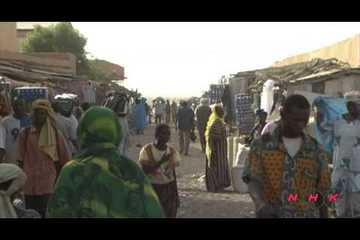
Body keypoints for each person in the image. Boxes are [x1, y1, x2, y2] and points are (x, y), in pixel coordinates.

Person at [47, 107, 164, 218]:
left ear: (82, 133)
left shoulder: (73, 170)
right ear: (116, 134)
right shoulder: (131, 169)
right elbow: (152, 210)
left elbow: (57, 211)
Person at [242, 94, 331, 218]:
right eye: (295, 120)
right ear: (283, 114)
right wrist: (260, 203)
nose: (300, 125)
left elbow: (323, 191)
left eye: (304, 121)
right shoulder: (261, 146)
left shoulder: (316, 151)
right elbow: (252, 178)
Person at [17, 99, 71, 218]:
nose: (39, 116)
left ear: (47, 115)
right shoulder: (25, 134)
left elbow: (65, 160)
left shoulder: (56, 135)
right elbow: (20, 160)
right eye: (37, 112)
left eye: (42, 113)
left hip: (48, 185)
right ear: (33, 114)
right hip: (29, 185)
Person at [139, 124, 181, 217]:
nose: (166, 136)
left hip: (168, 188)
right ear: (156, 135)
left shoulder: (172, 151)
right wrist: (162, 161)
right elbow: (145, 171)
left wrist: (176, 194)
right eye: (164, 133)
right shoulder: (147, 150)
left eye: (168, 134)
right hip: (152, 187)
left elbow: (173, 174)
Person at [331, 92, 360, 217]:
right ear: (349, 106)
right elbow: (322, 130)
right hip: (339, 169)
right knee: (338, 200)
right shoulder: (336, 122)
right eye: (357, 105)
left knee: (356, 204)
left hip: (357, 171)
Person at [204, 104, 231, 192]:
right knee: (216, 167)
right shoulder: (216, 123)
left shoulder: (218, 121)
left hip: (220, 149)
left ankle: (219, 185)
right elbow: (214, 136)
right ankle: (216, 186)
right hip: (216, 150)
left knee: (219, 167)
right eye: (221, 111)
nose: (223, 112)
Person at [1, 97, 32, 165]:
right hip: (11, 159)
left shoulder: (32, 120)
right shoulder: (5, 122)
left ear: (25, 105)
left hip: (29, 158)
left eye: (21, 104)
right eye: (16, 105)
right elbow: (2, 143)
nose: (18, 107)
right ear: (12, 106)